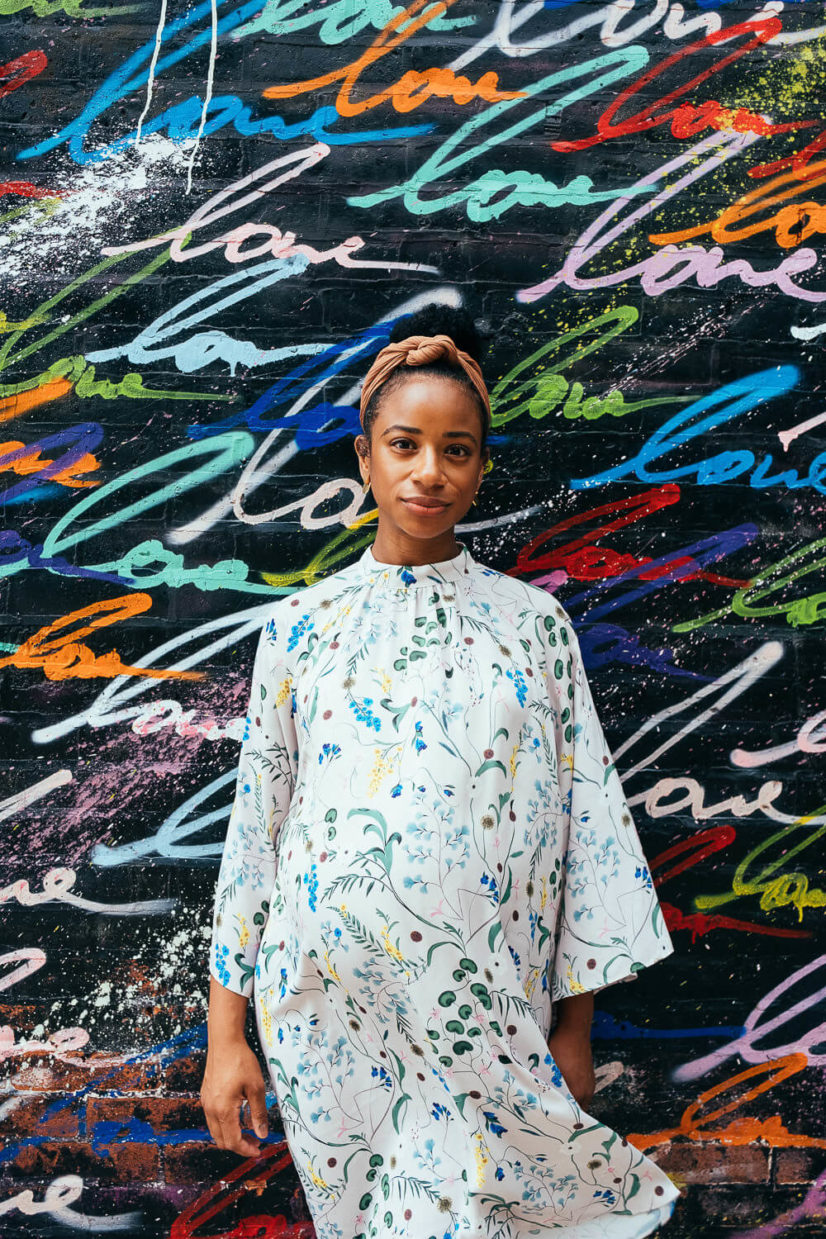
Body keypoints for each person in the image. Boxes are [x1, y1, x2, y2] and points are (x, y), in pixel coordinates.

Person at [202, 305, 681, 1239]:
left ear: (481, 467)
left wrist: (573, 1029)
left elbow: (581, 828)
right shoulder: (300, 629)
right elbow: (257, 829)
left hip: (488, 1022)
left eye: (456, 449)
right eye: (405, 444)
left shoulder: (533, 627)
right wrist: (227, 1036)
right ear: (365, 460)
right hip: (333, 1024)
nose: (430, 471)